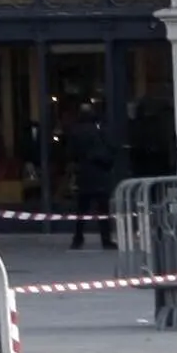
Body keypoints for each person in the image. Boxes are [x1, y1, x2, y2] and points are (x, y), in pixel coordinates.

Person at [60, 98, 120, 250]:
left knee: (81, 210)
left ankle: (78, 238)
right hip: (100, 174)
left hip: (84, 175)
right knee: (103, 210)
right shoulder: (99, 130)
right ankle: (106, 239)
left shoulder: (75, 131)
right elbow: (112, 147)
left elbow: (70, 154)